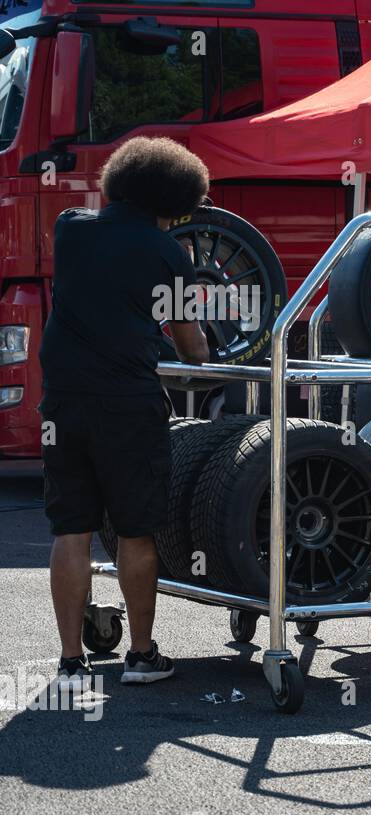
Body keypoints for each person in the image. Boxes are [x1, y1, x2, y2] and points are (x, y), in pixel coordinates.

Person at [40, 137, 211, 692]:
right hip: (129, 407)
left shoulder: (71, 229)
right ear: (176, 197)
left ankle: (70, 663)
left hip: (62, 403)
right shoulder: (169, 256)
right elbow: (192, 349)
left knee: (71, 530)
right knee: (136, 533)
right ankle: (140, 656)